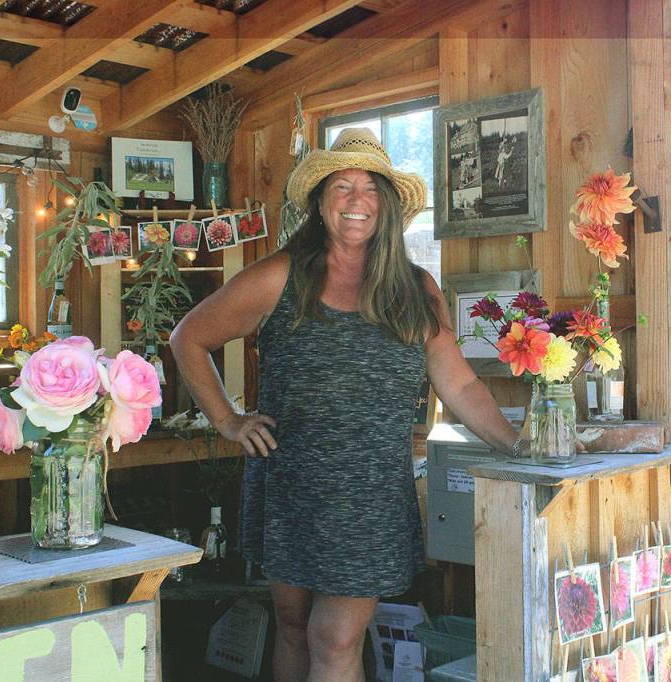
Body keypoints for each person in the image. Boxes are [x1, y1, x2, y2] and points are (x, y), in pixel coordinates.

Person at [170, 128, 522, 682]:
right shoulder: (279, 278)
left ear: (388, 205)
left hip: (370, 496)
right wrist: (228, 420)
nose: (357, 202)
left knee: (332, 638)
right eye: (342, 186)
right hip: (290, 486)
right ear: (319, 201)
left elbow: (462, 387)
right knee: (291, 626)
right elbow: (188, 338)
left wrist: (520, 446)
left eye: (371, 188)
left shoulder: (416, 289)